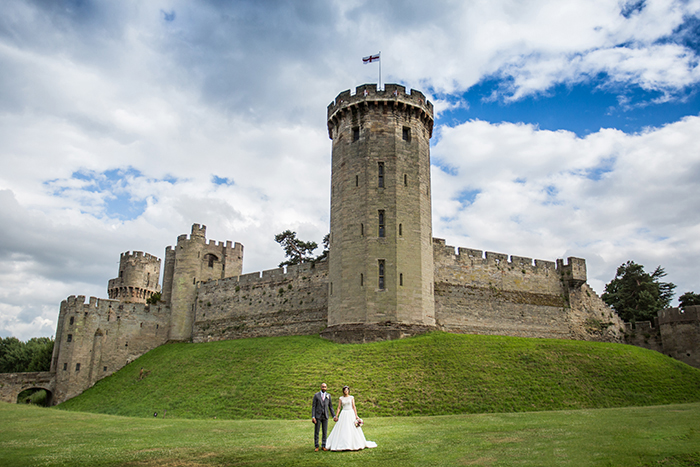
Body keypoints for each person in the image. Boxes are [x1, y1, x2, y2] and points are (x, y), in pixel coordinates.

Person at [326, 385, 377, 451]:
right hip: (344, 413)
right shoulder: (341, 398)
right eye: (345, 390)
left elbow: (353, 406)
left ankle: (354, 443)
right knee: (343, 428)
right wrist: (336, 415)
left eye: (347, 390)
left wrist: (356, 415)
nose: (346, 391)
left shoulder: (351, 397)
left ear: (348, 391)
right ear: (343, 391)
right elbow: (339, 407)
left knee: (352, 427)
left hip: (350, 413)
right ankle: (343, 443)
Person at [311, 382, 336, 451]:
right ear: (320, 387)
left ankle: (323, 445)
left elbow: (330, 406)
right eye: (323, 387)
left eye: (325, 387)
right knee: (317, 431)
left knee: (324, 431)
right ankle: (316, 446)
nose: (324, 388)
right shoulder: (316, 395)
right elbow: (314, 406)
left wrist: (334, 415)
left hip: (325, 416)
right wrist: (313, 416)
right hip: (318, 416)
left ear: (326, 388)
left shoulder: (328, 395)